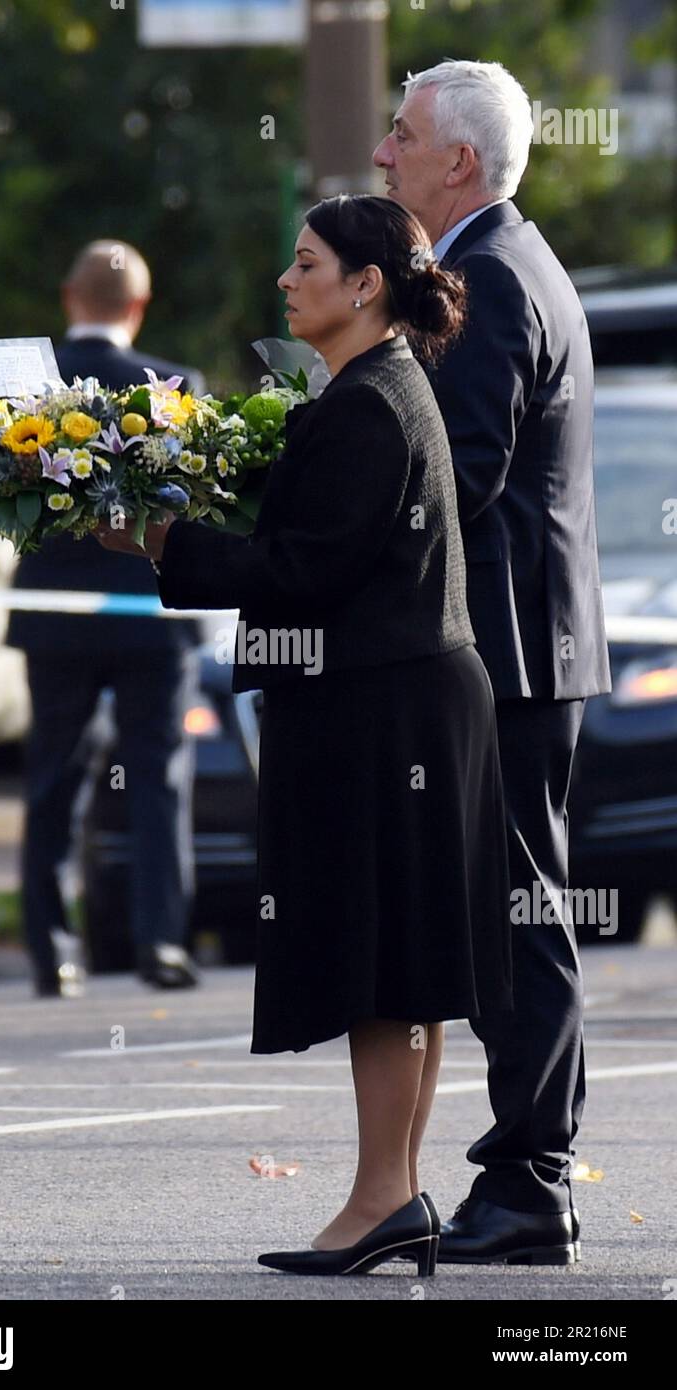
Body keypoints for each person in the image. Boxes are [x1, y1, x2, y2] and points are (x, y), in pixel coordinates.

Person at [95, 194, 513, 1277]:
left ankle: (383, 1195)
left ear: (363, 283)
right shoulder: (371, 388)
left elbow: (304, 570)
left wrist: (160, 543)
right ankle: (399, 1194)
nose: (286, 281)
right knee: (407, 961)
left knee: (383, 962)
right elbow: (312, 536)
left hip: (388, 712)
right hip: (406, 701)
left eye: (306, 261)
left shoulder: (370, 402)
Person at [373, 59, 612, 1265]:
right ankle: (528, 1172)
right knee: (514, 908)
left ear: (455, 159)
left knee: (519, 914)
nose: (381, 154)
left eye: (400, 134)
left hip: (508, 645)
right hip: (520, 639)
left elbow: (452, 479)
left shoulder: (485, 277)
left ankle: (529, 1180)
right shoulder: (502, 261)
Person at [5, 240, 206, 997]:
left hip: (54, 615)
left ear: (69, 296)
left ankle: (52, 951)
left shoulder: (25, 388)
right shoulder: (172, 384)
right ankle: (160, 942)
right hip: (150, 614)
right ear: (139, 307)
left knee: (54, 777)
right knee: (159, 778)